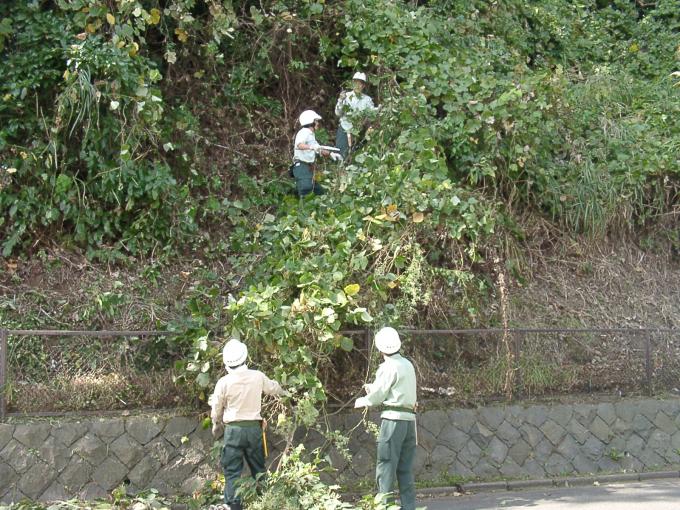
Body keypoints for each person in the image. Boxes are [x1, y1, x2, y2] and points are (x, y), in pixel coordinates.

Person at [210, 339, 287, 510]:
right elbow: (274, 388)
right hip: (254, 429)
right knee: (258, 468)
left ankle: (233, 506)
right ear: (246, 357)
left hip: (233, 431)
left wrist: (216, 424)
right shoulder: (257, 376)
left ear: (226, 362)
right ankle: (266, 502)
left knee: (232, 471)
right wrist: (288, 392)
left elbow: (216, 408)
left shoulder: (224, 382)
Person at [355, 327, 418, 510]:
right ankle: (409, 507)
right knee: (405, 469)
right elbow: (397, 390)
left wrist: (363, 400)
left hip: (393, 421)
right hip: (409, 422)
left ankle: (386, 506)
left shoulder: (387, 367)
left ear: (380, 349)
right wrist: (373, 388)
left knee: (386, 466)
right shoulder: (407, 364)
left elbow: (378, 396)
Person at [292, 109, 342, 197]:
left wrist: (330, 154)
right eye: (316, 121)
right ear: (311, 122)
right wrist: (311, 147)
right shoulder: (304, 132)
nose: (318, 123)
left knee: (319, 192)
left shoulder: (311, 135)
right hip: (302, 166)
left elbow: (319, 149)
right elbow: (299, 145)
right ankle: (302, 208)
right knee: (306, 189)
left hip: (308, 168)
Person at [335, 71, 376, 160]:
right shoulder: (346, 96)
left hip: (359, 131)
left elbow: (372, 116)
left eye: (360, 83)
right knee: (341, 156)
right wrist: (340, 100)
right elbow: (338, 113)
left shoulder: (367, 100)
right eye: (356, 83)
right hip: (345, 129)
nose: (358, 85)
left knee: (357, 156)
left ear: (363, 85)